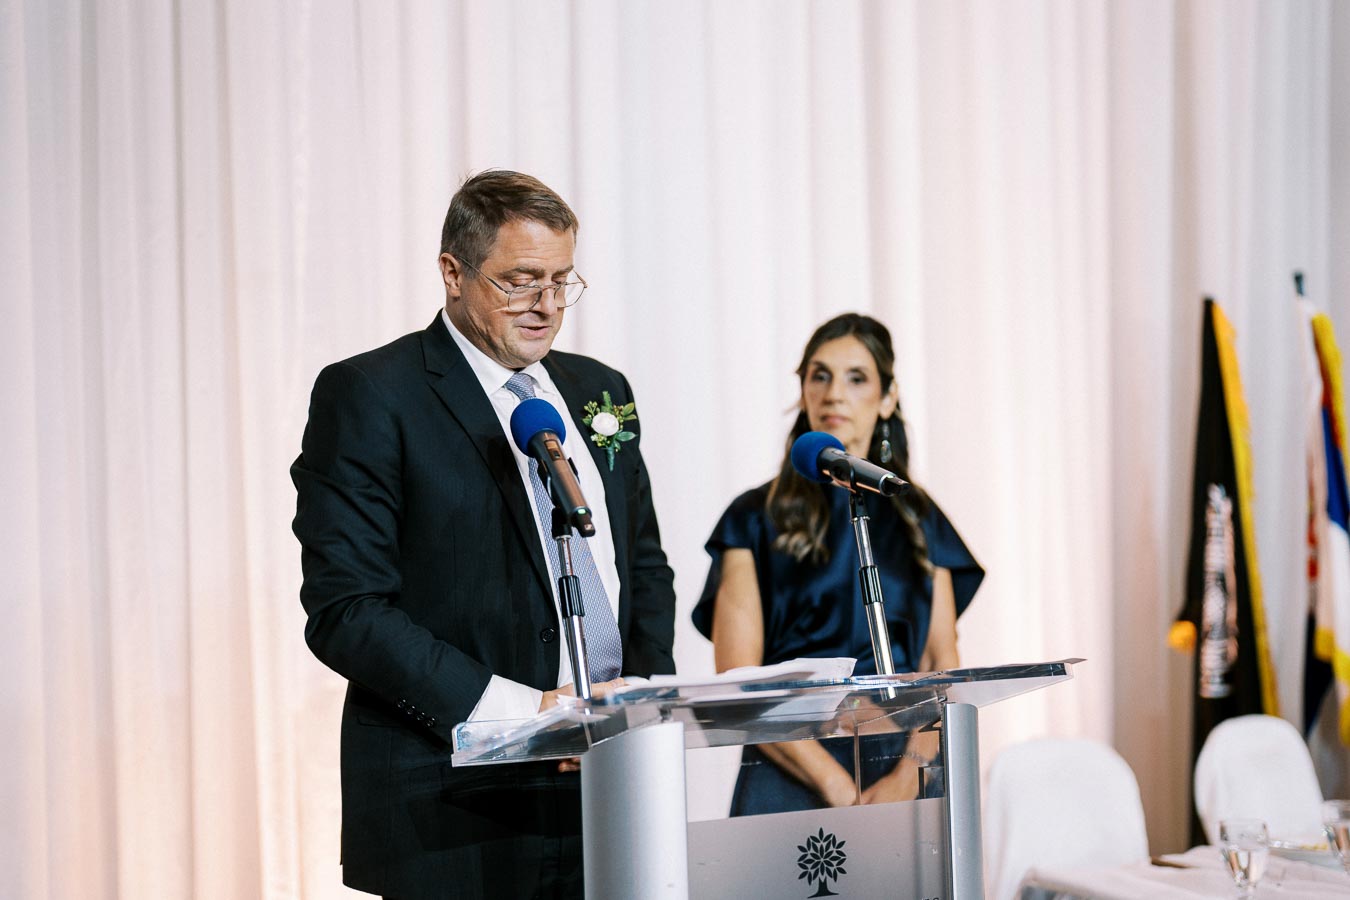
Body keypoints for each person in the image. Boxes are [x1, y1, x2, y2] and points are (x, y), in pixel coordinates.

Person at [291, 170, 676, 899]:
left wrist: (635, 704)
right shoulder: (373, 394)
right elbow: (348, 611)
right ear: (453, 273)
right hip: (454, 801)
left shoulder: (602, 390)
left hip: (603, 790)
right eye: (521, 281)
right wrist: (522, 716)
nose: (547, 306)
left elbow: (642, 564)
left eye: (564, 280)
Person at [691, 312, 983, 816]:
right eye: (819, 375)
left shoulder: (919, 517)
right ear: (802, 389)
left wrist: (909, 772)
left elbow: (942, 667)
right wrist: (832, 783)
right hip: (787, 766)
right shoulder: (751, 519)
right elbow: (739, 674)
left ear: (887, 397)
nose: (833, 394)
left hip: (904, 767)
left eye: (856, 378)